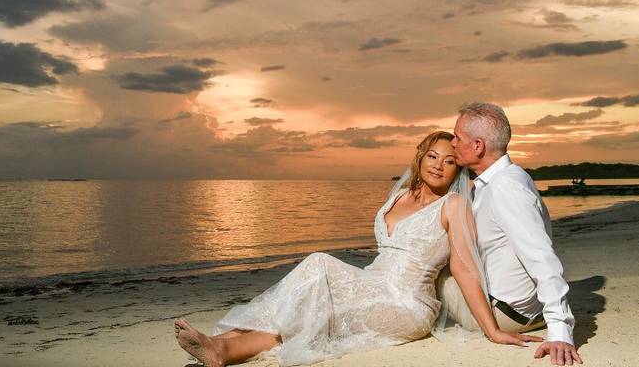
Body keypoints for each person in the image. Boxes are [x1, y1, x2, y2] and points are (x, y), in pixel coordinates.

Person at [173, 131, 541, 366]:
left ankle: (224, 343)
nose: (439, 166)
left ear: (457, 170)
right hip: (372, 285)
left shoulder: (453, 206)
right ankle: (223, 348)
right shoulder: (399, 194)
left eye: (449, 161)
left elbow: (463, 269)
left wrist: (492, 330)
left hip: (406, 304)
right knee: (314, 311)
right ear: (420, 156)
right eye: (432, 156)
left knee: (318, 266)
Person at [443, 101, 583, 366]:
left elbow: (541, 257)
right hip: (522, 309)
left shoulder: (505, 187)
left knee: (429, 273)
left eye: (457, 137)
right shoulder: (502, 179)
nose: (452, 143)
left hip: (507, 314)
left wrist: (560, 330)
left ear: (478, 146)